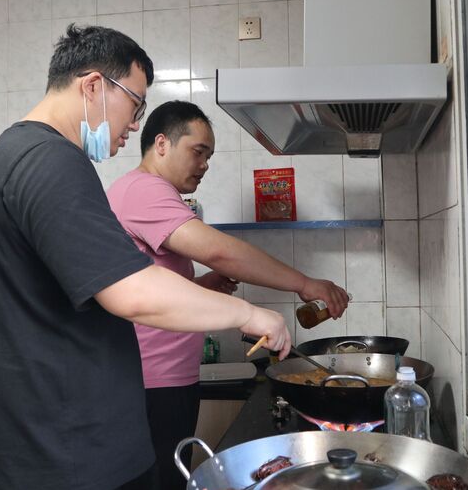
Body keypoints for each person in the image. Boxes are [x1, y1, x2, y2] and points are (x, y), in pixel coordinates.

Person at [0, 25, 291, 490]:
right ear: (93, 86)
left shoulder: (5, 157)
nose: (135, 124)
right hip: (57, 454)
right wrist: (249, 313)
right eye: (135, 104)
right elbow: (132, 291)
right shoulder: (50, 160)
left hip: (26, 447)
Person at [106, 100, 350, 490]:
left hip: (164, 378)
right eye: (198, 152)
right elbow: (220, 251)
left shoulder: (149, 192)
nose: (204, 165)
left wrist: (204, 285)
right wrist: (305, 284)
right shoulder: (144, 190)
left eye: (209, 156)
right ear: (162, 143)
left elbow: (152, 285)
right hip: (152, 383)